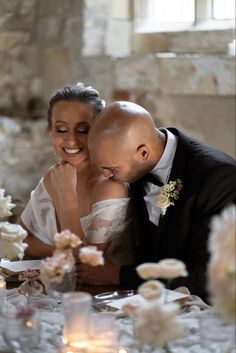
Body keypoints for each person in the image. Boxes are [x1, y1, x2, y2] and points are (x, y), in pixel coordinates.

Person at [82, 100, 236, 300]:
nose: (105, 175)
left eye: (111, 169)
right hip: (146, 300)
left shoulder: (217, 177)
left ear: (143, 153)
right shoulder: (134, 164)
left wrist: (117, 274)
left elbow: (206, 274)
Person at [19, 85, 137, 266]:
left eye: (83, 130)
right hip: (57, 285)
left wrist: (67, 196)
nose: (71, 140)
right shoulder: (54, 175)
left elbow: (86, 262)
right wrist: (59, 251)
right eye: (61, 130)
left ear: (99, 131)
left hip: (104, 292)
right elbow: (19, 239)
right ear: (51, 132)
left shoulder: (111, 186)